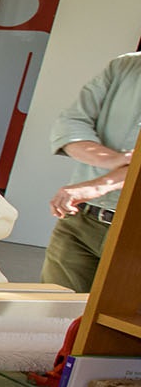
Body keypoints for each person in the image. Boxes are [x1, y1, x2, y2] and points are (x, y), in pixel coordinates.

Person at [43, 50, 141, 292]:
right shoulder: (124, 67)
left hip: (133, 229)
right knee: (52, 314)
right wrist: (113, 160)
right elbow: (70, 123)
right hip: (80, 221)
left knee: (117, 325)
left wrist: (97, 185)